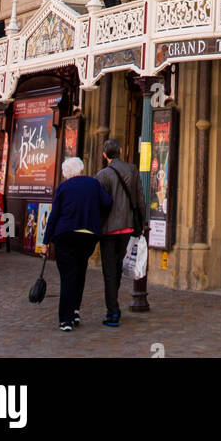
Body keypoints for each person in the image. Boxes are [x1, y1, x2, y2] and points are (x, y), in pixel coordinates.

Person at [43, 157, 112, 332]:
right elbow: (108, 202)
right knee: (80, 272)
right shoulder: (93, 184)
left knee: (68, 277)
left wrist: (45, 242)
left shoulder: (63, 187)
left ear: (66, 174)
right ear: (80, 169)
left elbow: (54, 216)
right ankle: (75, 311)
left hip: (65, 235)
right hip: (87, 235)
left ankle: (65, 319)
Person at [95, 138, 145, 328]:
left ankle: (112, 312)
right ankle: (113, 305)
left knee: (109, 270)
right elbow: (140, 199)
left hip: (108, 229)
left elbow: (99, 204)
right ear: (121, 151)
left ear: (104, 155)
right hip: (127, 226)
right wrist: (140, 222)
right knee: (116, 267)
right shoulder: (132, 170)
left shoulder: (102, 175)